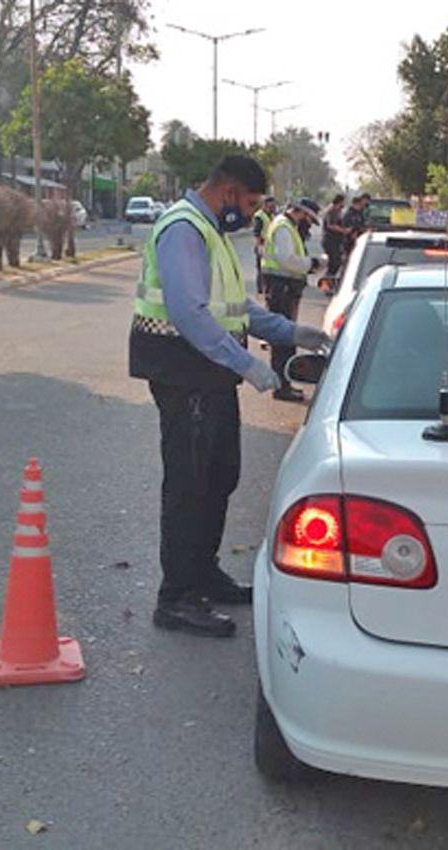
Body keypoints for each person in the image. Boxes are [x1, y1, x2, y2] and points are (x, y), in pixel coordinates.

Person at [129, 155, 328, 638]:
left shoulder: (209, 229)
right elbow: (191, 314)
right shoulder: (183, 227)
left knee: (219, 477)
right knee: (189, 485)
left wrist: (296, 333)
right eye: (252, 202)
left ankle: (204, 574)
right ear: (229, 192)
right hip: (185, 375)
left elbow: (237, 311)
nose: (253, 212)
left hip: (210, 378)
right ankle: (177, 596)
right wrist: (252, 367)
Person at [260, 198, 323, 403]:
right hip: (281, 288)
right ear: (301, 213)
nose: (308, 225)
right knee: (283, 338)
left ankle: (284, 383)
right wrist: (310, 264)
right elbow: (285, 258)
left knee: (285, 337)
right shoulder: (283, 227)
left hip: (285, 288)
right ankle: (281, 386)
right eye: (308, 219)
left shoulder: (287, 226)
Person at [251, 196, 277, 294]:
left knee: (268, 268)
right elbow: (257, 233)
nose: (273, 208)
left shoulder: (271, 215)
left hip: (270, 247)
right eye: (271, 206)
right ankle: (261, 289)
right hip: (262, 246)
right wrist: (259, 247)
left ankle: (267, 288)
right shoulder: (260, 216)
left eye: (274, 206)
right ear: (265, 205)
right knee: (261, 269)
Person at [321, 194, 348, 283]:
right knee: (334, 262)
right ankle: (327, 281)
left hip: (336, 241)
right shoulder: (331, 210)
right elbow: (330, 225)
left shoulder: (337, 211)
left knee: (336, 262)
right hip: (330, 240)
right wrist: (343, 230)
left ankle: (329, 280)